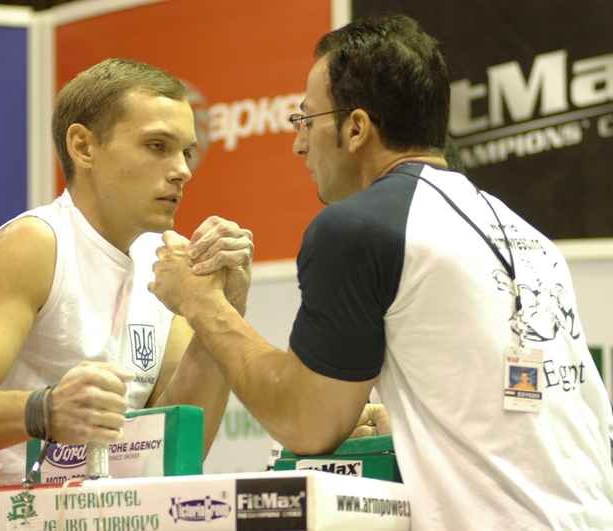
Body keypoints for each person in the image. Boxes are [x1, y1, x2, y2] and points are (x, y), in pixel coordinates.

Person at [148, 14, 613, 530]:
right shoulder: (524, 233)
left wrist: (201, 302)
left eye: (306, 120)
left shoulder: (359, 227)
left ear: (355, 128)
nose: (298, 144)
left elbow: (305, 421)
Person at [0, 58, 253, 487]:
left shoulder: (169, 260)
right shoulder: (37, 244)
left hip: (99, 510)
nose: (183, 170)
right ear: (83, 146)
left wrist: (221, 309)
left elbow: (177, 446)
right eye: (157, 146)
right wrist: (47, 410)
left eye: (186, 152)